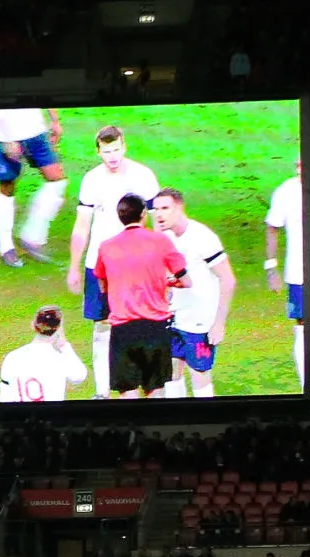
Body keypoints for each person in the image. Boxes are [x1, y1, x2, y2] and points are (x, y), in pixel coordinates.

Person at [64, 126, 161, 397]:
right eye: (107, 152)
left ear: (124, 146)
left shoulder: (143, 177)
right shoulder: (92, 180)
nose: (112, 156)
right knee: (102, 326)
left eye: (116, 150)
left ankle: (142, 384)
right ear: (99, 152)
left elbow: (158, 221)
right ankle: (102, 391)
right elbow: (82, 225)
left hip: (135, 266)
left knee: (138, 322)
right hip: (100, 265)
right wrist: (74, 266)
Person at [94, 194, 188, 399]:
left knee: (127, 392)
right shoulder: (161, 241)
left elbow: (101, 281)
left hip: (123, 329)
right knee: (155, 390)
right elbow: (185, 279)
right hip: (155, 327)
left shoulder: (106, 246)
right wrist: (168, 281)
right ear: (144, 214)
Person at [151, 188, 235, 398]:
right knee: (171, 374)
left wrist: (218, 323)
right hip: (173, 318)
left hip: (200, 322)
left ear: (179, 207)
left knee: (200, 375)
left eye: (165, 208)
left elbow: (228, 279)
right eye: (156, 209)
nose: (159, 214)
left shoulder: (203, 238)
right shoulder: (165, 238)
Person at [0, 107, 66, 266]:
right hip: (5, 135)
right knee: (7, 186)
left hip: (36, 131)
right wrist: (8, 139)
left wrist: (55, 120)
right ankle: (6, 248)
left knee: (57, 180)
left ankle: (31, 237)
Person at [265, 161, 305, 390]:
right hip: (298, 274)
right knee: (302, 325)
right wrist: (271, 268)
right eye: (297, 166)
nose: (299, 170)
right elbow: (272, 227)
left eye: (303, 165)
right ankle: (305, 385)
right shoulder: (286, 191)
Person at [0, 306, 88, 402]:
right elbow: (79, 376)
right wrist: (64, 345)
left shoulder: (13, 357)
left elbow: (5, 396)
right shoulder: (60, 359)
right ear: (58, 328)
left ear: (33, 325)